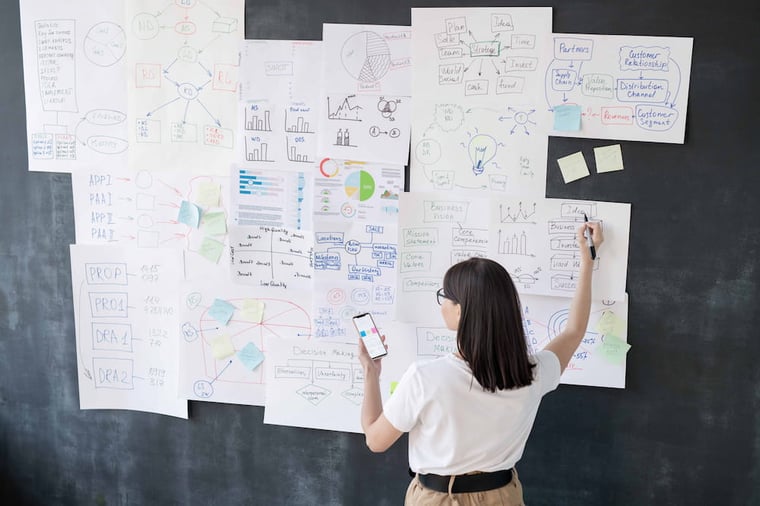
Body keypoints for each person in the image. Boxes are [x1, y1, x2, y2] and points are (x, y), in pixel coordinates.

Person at [358, 222, 604, 505]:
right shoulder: (533, 373)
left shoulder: (426, 378)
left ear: (461, 310)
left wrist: (370, 372)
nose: (441, 305)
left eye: (444, 297)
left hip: (439, 499)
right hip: (503, 497)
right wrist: (588, 260)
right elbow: (574, 331)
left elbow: (375, 441)